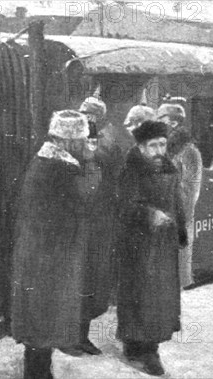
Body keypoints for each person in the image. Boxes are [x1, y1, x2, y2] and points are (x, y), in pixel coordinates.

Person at [11, 110, 100, 379]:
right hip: (51, 256)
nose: (87, 145)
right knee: (46, 315)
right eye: (83, 140)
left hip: (41, 252)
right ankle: (37, 374)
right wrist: (92, 164)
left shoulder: (45, 162)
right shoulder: (62, 168)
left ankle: (38, 371)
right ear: (69, 141)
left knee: (42, 316)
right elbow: (86, 197)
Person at [117, 120, 187, 376]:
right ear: (141, 146)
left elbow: (177, 200)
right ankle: (143, 349)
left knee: (158, 297)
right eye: (153, 145)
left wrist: (181, 230)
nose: (159, 150)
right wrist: (149, 214)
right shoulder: (131, 171)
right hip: (139, 243)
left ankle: (146, 346)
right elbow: (125, 205)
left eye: (163, 144)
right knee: (141, 295)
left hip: (163, 243)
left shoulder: (170, 168)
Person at [77, 86, 126, 355]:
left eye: (86, 114)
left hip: (99, 219)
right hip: (89, 219)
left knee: (91, 277)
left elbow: (104, 164)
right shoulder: (95, 136)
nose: (82, 117)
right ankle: (76, 334)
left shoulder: (105, 139)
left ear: (95, 116)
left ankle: (80, 334)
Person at [157, 96, 203, 289]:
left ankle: (182, 282)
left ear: (173, 122)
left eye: (162, 119)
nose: (158, 124)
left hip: (180, 210)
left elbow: (190, 187)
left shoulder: (189, 151)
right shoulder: (168, 147)